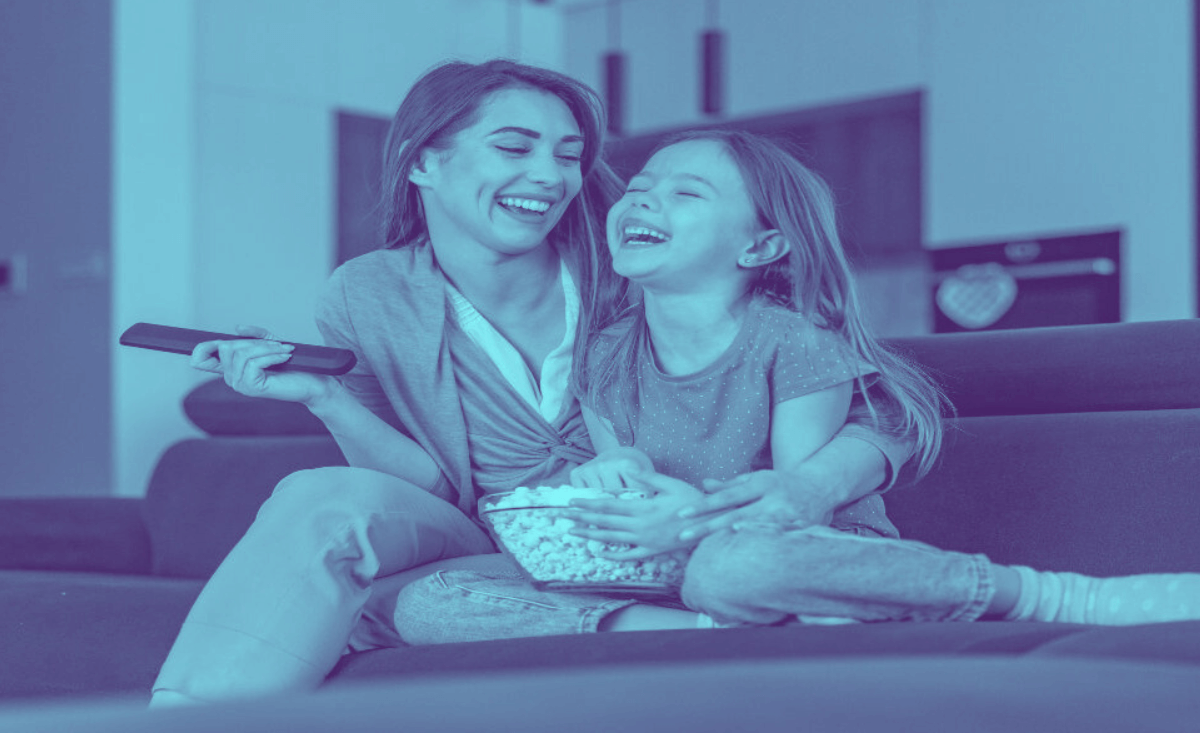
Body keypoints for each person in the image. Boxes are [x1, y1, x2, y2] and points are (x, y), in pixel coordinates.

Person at [149, 62, 908, 706]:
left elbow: (876, 404)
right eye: (513, 147)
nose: (548, 177)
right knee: (321, 502)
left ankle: (701, 623)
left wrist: (803, 491)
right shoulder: (366, 295)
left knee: (380, 608)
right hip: (496, 530)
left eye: (569, 155)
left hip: (644, 531)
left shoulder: (635, 259)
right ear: (424, 161)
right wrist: (324, 398)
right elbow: (428, 486)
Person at [389, 129, 1200, 643]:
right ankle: (712, 633)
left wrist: (687, 520)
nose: (642, 196)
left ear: (760, 247)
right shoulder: (605, 352)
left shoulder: (790, 342)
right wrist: (614, 481)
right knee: (428, 603)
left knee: (739, 569)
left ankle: (1040, 596)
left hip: (799, 548)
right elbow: (629, 464)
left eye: (686, 194)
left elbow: (793, 501)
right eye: (641, 187)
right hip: (674, 569)